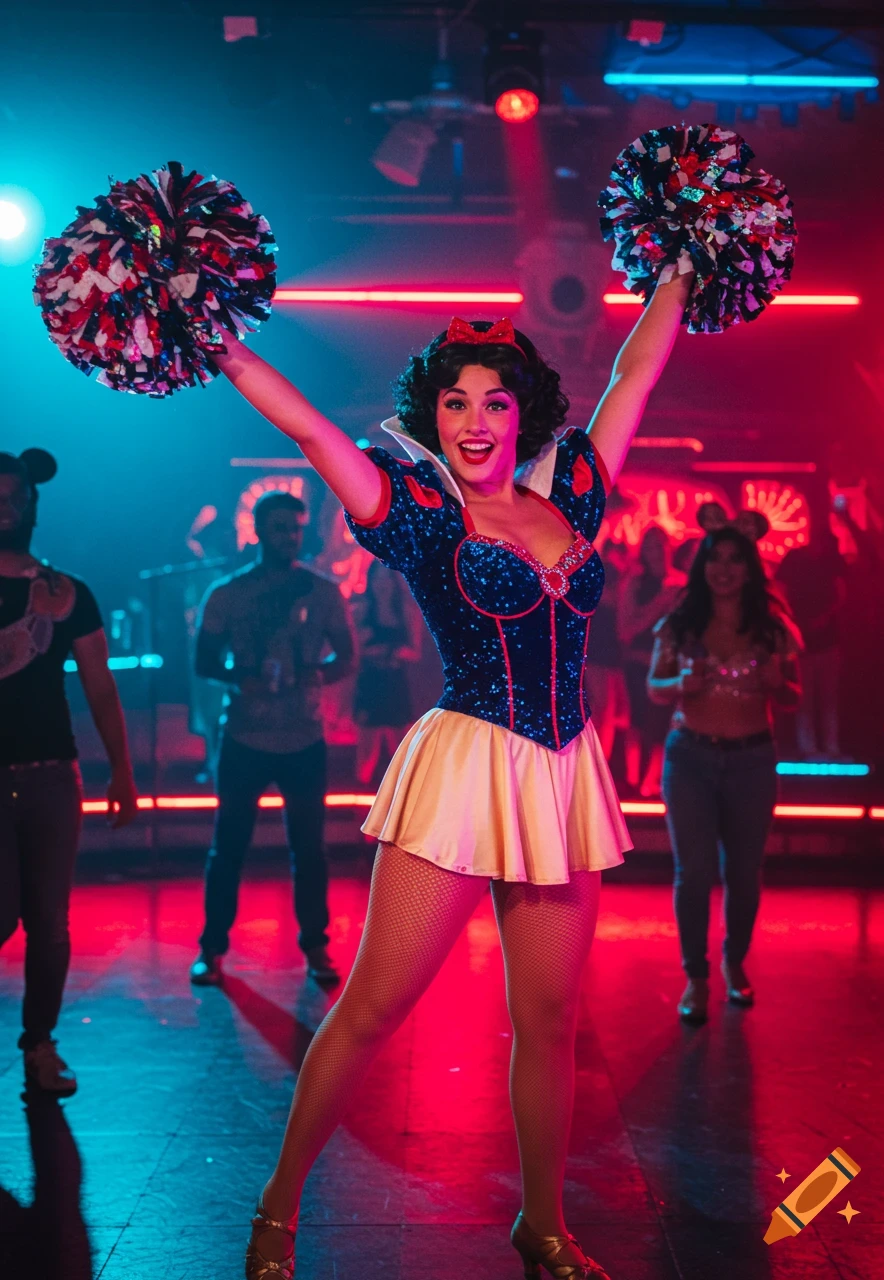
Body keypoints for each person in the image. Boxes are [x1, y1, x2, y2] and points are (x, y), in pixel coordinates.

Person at [213, 280, 691, 1280]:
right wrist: (215, 340)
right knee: (372, 1010)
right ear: (431, 416)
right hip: (465, 768)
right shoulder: (423, 514)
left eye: (494, 402)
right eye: (455, 401)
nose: (475, 421)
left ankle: (542, 1225)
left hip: (561, 776)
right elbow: (308, 429)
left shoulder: (572, 493)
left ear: (523, 414)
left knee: (552, 1024)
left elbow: (636, 371)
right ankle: (275, 1209)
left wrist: (684, 265)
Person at [0, 449, 138, 1095]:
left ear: (33, 504)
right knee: (3, 915)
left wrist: (122, 770)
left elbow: (100, 686)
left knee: (49, 925)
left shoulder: (68, 593)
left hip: (53, 773)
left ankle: (40, 1046)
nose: (6, 509)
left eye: (15, 498)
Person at [190, 491, 356, 988]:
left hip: (304, 737)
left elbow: (347, 656)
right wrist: (241, 677)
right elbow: (203, 661)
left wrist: (314, 675)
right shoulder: (227, 593)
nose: (290, 536)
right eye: (280, 527)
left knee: (309, 850)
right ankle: (212, 949)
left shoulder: (323, 591)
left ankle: (316, 947)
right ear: (259, 531)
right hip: (244, 736)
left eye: (296, 528)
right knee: (228, 846)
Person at [647, 527, 802, 1024]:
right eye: (716, 558)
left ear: (750, 569)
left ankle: (735, 963)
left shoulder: (772, 626)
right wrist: (679, 682)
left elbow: (794, 694)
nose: (725, 569)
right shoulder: (680, 623)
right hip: (690, 759)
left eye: (736, 559)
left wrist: (777, 683)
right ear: (703, 566)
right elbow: (654, 686)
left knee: (743, 873)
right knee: (693, 873)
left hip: (752, 761)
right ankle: (695, 976)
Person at [617, 526, 684, 797]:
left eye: (660, 545)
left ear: (669, 547)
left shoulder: (682, 583)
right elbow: (625, 630)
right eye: (650, 546)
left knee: (663, 723)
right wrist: (659, 603)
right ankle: (633, 780)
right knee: (638, 719)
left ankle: (653, 781)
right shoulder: (635, 583)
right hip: (638, 662)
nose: (656, 551)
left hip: (670, 662)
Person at [776, 525, 846, 760]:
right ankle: (814, 748)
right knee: (811, 698)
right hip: (805, 641)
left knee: (826, 698)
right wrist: (796, 622)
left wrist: (820, 619)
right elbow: (781, 591)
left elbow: (841, 594)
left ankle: (825, 748)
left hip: (825, 640)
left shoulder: (830, 560)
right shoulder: (796, 559)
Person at [354, 559, 422, 785]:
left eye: (386, 578)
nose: (382, 584)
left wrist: (392, 651)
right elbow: (351, 650)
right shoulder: (362, 609)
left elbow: (415, 652)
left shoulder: (406, 611)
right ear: (370, 581)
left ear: (394, 581)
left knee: (401, 752)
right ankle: (361, 794)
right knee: (367, 750)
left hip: (395, 684)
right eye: (378, 579)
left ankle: (400, 799)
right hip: (370, 684)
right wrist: (369, 649)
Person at [583, 557, 629, 765]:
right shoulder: (606, 596)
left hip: (607, 657)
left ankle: (600, 760)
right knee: (603, 710)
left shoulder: (613, 594)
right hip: (598, 657)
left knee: (609, 711)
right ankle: (597, 760)